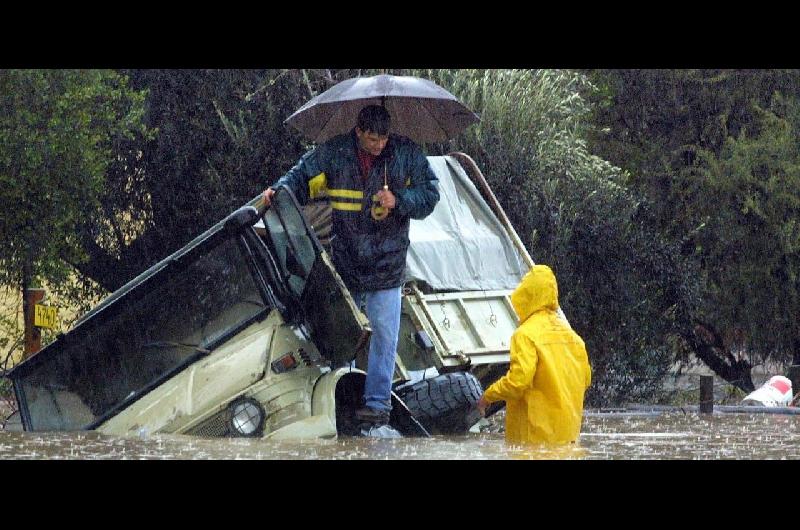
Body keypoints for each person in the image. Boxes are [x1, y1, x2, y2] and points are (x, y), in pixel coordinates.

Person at [263, 104, 440, 428]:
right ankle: (333, 402)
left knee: (385, 338)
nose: (378, 146)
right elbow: (300, 177)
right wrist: (276, 192)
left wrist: (398, 201)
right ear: (359, 132)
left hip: (388, 265)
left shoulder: (406, 153)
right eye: (372, 139)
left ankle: (377, 407)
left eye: (383, 139)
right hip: (346, 263)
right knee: (339, 335)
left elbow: (430, 194)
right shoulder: (334, 153)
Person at [476, 264, 592, 444]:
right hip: (568, 439)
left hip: (533, 440)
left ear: (526, 295)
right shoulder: (574, 338)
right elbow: (585, 380)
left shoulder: (525, 335)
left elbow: (518, 381)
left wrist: (487, 396)